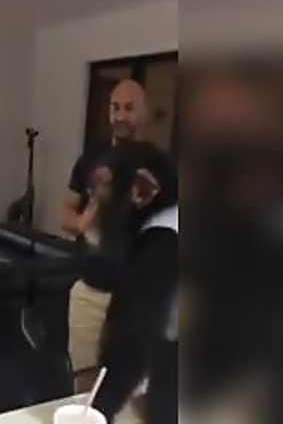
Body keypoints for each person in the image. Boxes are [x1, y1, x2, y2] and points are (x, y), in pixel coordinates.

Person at [63, 80, 149, 391]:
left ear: (144, 113)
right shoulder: (90, 159)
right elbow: (65, 214)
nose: (120, 115)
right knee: (84, 386)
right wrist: (85, 221)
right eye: (115, 107)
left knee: (129, 386)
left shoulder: (159, 166)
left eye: (129, 108)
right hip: (90, 292)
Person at [88, 143, 178, 424]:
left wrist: (99, 410)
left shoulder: (162, 242)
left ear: (142, 190)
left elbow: (132, 339)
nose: (96, 197)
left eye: (105, 186)